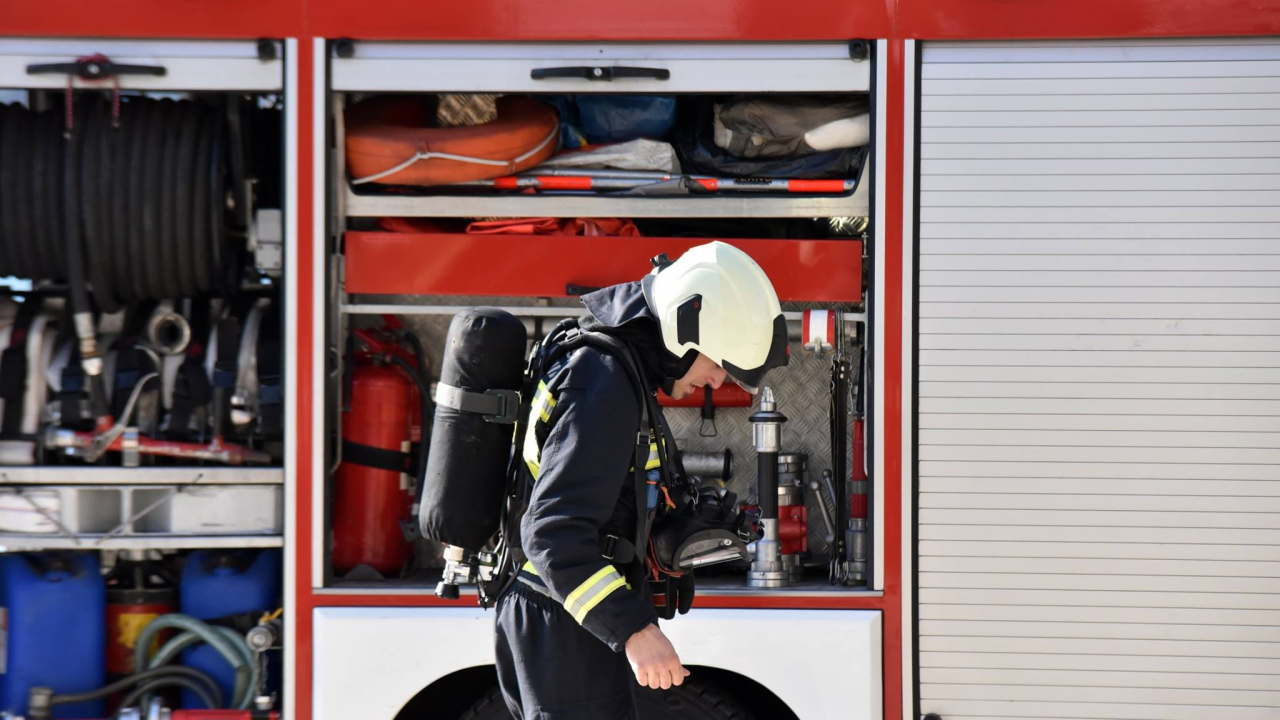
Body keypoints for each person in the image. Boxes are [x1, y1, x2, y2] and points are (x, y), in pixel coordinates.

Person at [494, 241, 789, 720]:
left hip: (561, 613)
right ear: (682, 333)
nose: (718, 382)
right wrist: (634, 630)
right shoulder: (604, 383)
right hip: (563, 621)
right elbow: (552, 534)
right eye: (719, 362)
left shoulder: (611, 369)